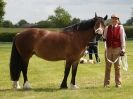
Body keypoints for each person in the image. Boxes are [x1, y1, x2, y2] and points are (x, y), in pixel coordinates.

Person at [103, 14, 126, 88]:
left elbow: (122, 39)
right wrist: (103, 37)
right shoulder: (107, 28)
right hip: (108, 49)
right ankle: (106, 84)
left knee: (117, 67)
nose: (114, 20)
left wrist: (123, 49)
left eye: (115, 19)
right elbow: (104, 37)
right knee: (107, 67)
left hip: (117, 49)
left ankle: (118, 83)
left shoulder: (120, 28)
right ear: (111, 20)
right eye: (113, 18)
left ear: (118, 20)